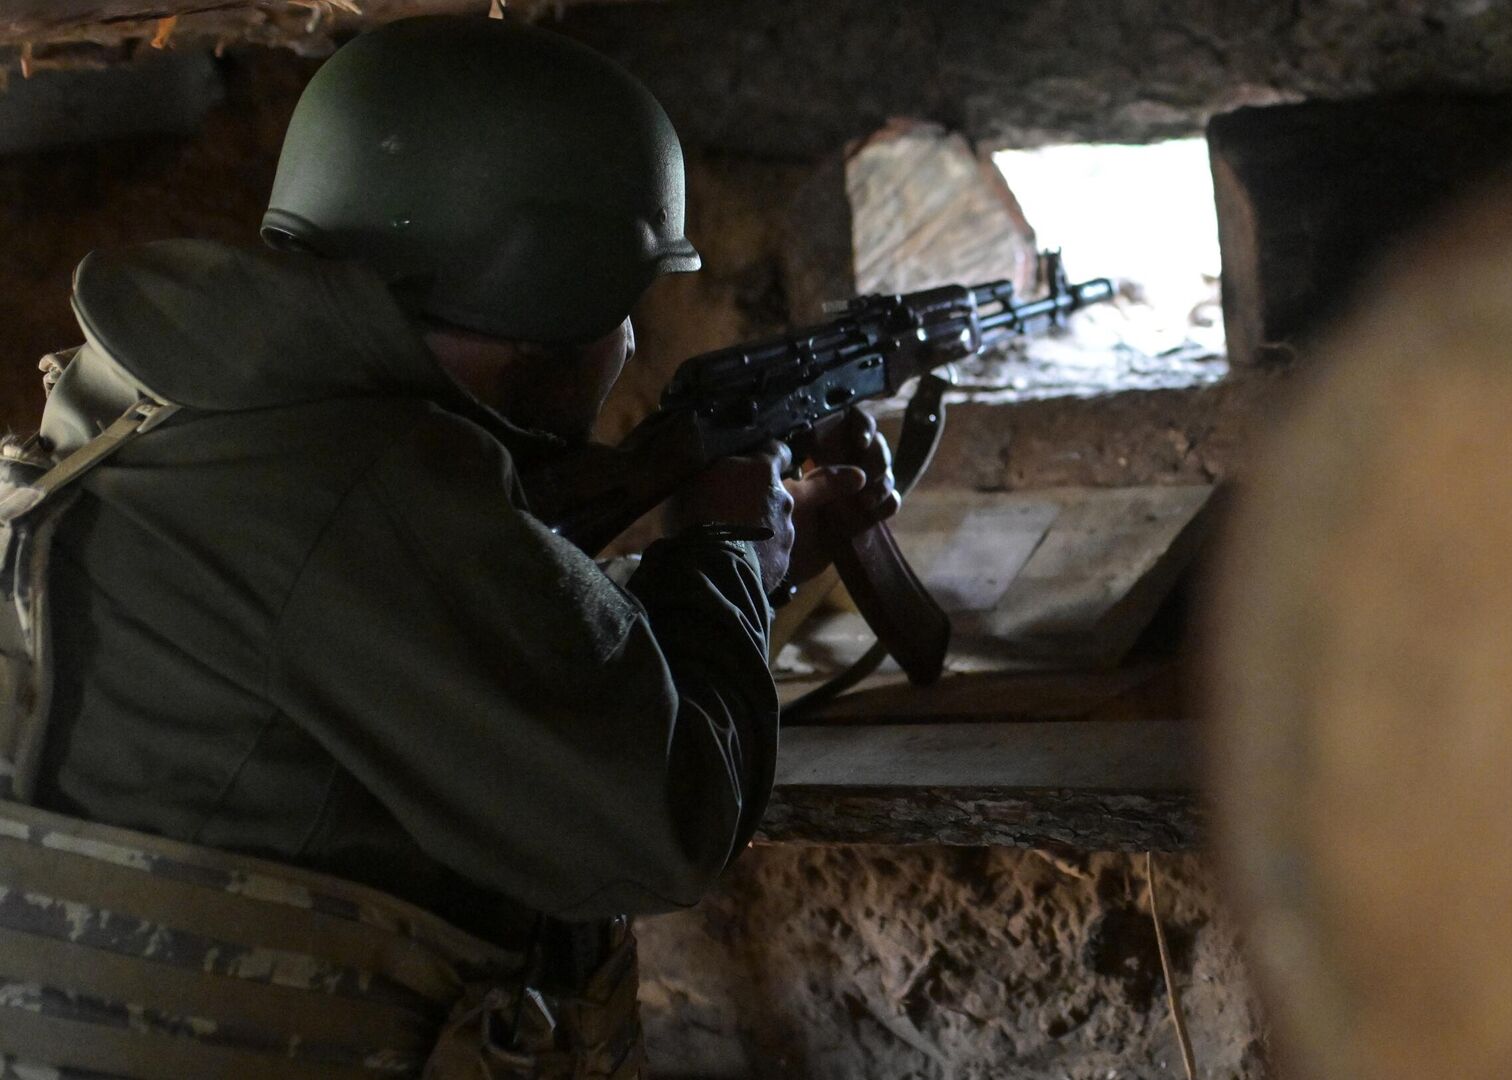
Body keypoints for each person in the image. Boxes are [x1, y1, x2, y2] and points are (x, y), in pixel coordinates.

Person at [0, 14, 893, 1078]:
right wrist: (729, 548)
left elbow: (418, 647)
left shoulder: (170, 394)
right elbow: (666, 824)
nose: (628, 342)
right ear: (550, 283)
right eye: (622, 302)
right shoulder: (361, 479)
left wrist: (731, 563)